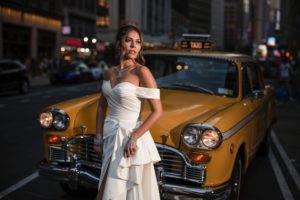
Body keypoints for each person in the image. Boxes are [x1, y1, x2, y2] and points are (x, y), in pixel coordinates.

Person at [93, 22, 163, 200]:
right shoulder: (109, 73)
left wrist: (134, 136)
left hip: (129, 139)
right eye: (129, 41)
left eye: (138, 42)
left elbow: (157, 111)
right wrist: (98, 138)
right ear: (119, 44)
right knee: (110, 190)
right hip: (110, 137)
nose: (133, 46)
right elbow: (102, 107)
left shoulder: (142, 71)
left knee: (109, 192)